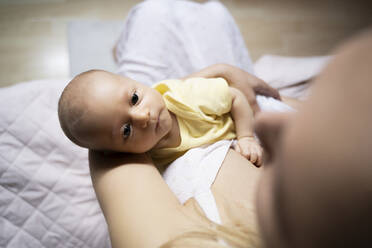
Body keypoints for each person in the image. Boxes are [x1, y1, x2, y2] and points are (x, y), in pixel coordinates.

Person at [58, 65, 276, 168]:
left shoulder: (186, 96)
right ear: (116, 152)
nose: (142, 117)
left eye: (134, 99)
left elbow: (235, 97)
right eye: (126, 130)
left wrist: (246, 136)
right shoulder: (149, 158)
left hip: (248, 120)